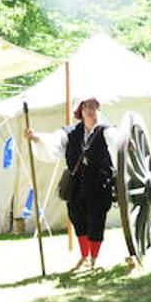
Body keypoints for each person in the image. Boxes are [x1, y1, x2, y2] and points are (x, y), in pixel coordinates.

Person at [31, 98, 114, 272]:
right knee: (77, 219)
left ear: (99, 110)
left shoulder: (106, 131)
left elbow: (116, 140)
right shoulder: (70, 132)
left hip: (99, 183)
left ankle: (94, 258)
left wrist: (126, 143)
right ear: (81, 112)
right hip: (76, 184)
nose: (90, 110)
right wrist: (37, 138)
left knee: (96, 219)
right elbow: (54, 140)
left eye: (94, 107)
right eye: (86, 107)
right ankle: (84, 256)